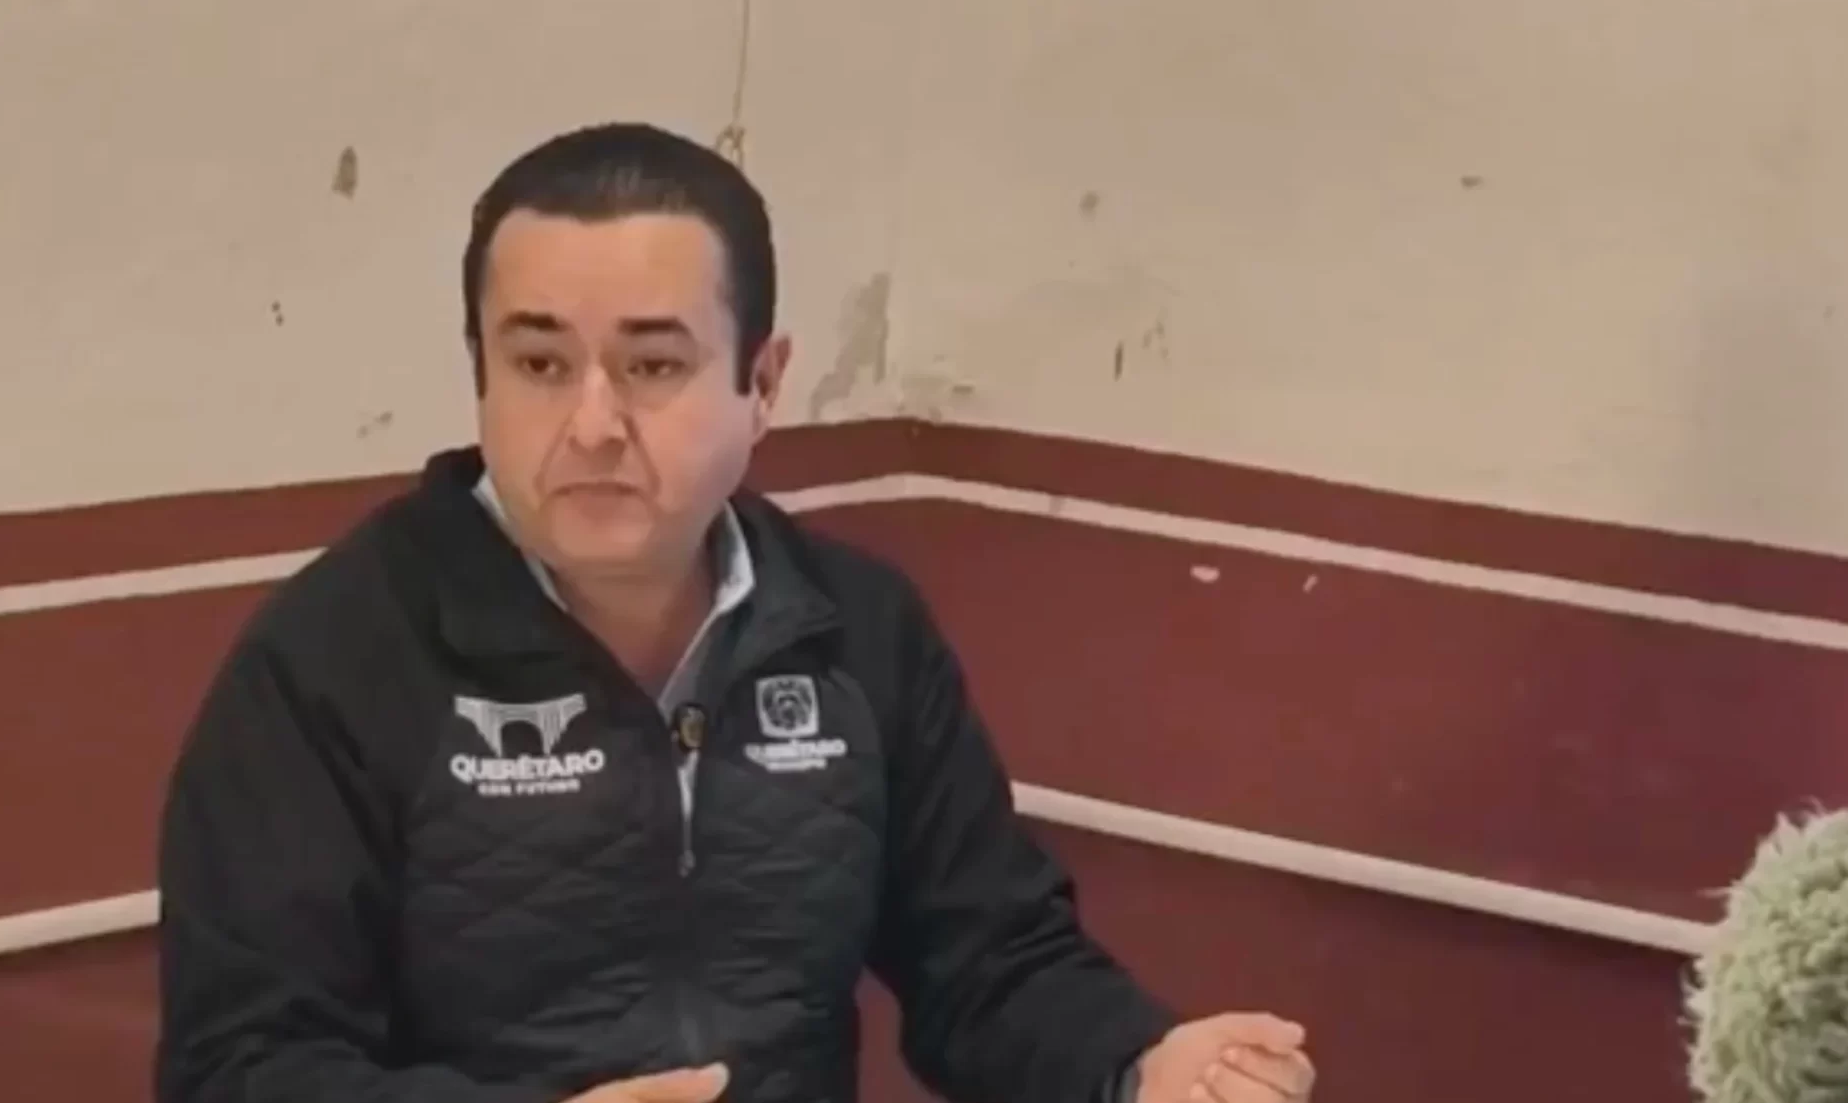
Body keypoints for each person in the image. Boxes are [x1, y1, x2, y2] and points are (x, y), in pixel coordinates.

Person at [154, 122, 1319, 1103]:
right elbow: (240, 1066)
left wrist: (1135, 1064)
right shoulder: (334, 656)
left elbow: (987, 958)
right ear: (480, 373)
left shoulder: (854, 627)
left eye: (652, 367)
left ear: (762, 383)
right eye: (540, 365)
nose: (591, 425)